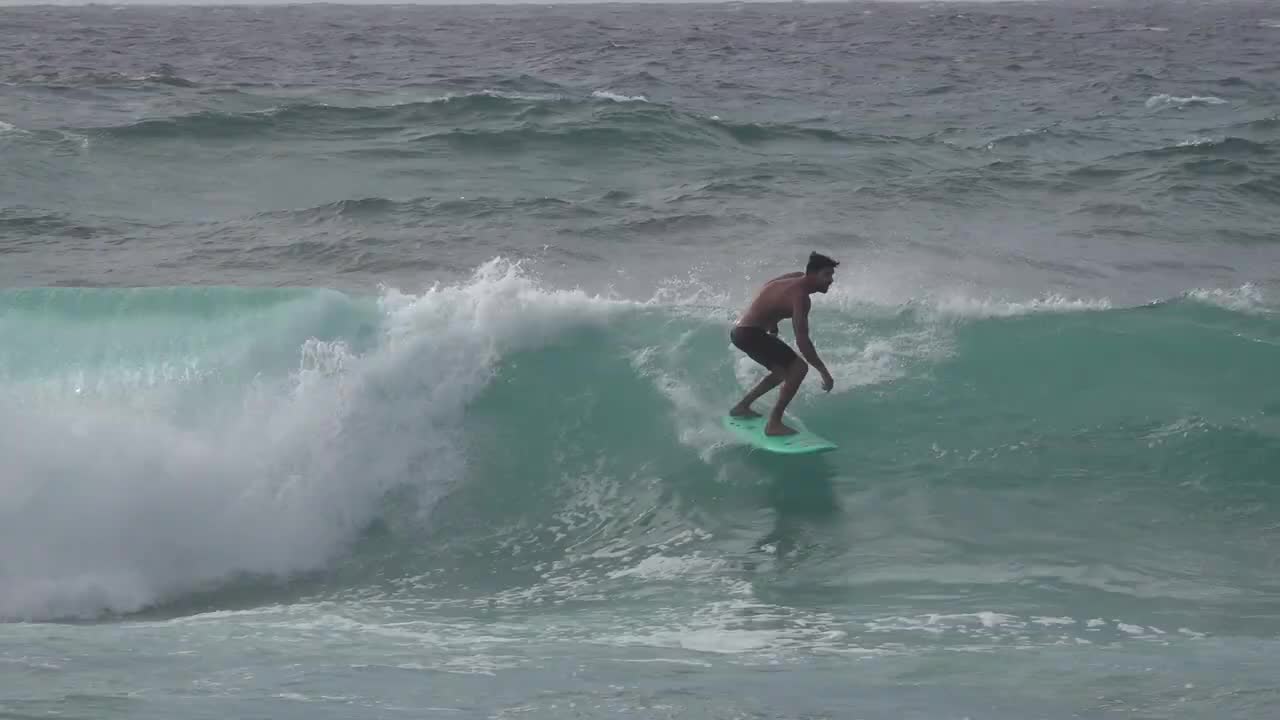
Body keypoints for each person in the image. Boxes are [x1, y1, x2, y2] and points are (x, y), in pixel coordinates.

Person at [728, 252, 837, 436]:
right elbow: (803, 342)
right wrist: (824, 373)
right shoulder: (801, 297)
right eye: (826, 275)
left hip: (742, 331)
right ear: (812, 274)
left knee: (781, 372)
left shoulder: (794, 276)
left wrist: (772, 325)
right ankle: (774, 423)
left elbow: (768, 288)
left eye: (832, 275)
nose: (831, 280)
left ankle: (742, 407)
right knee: (799, 368)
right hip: (750, 333)